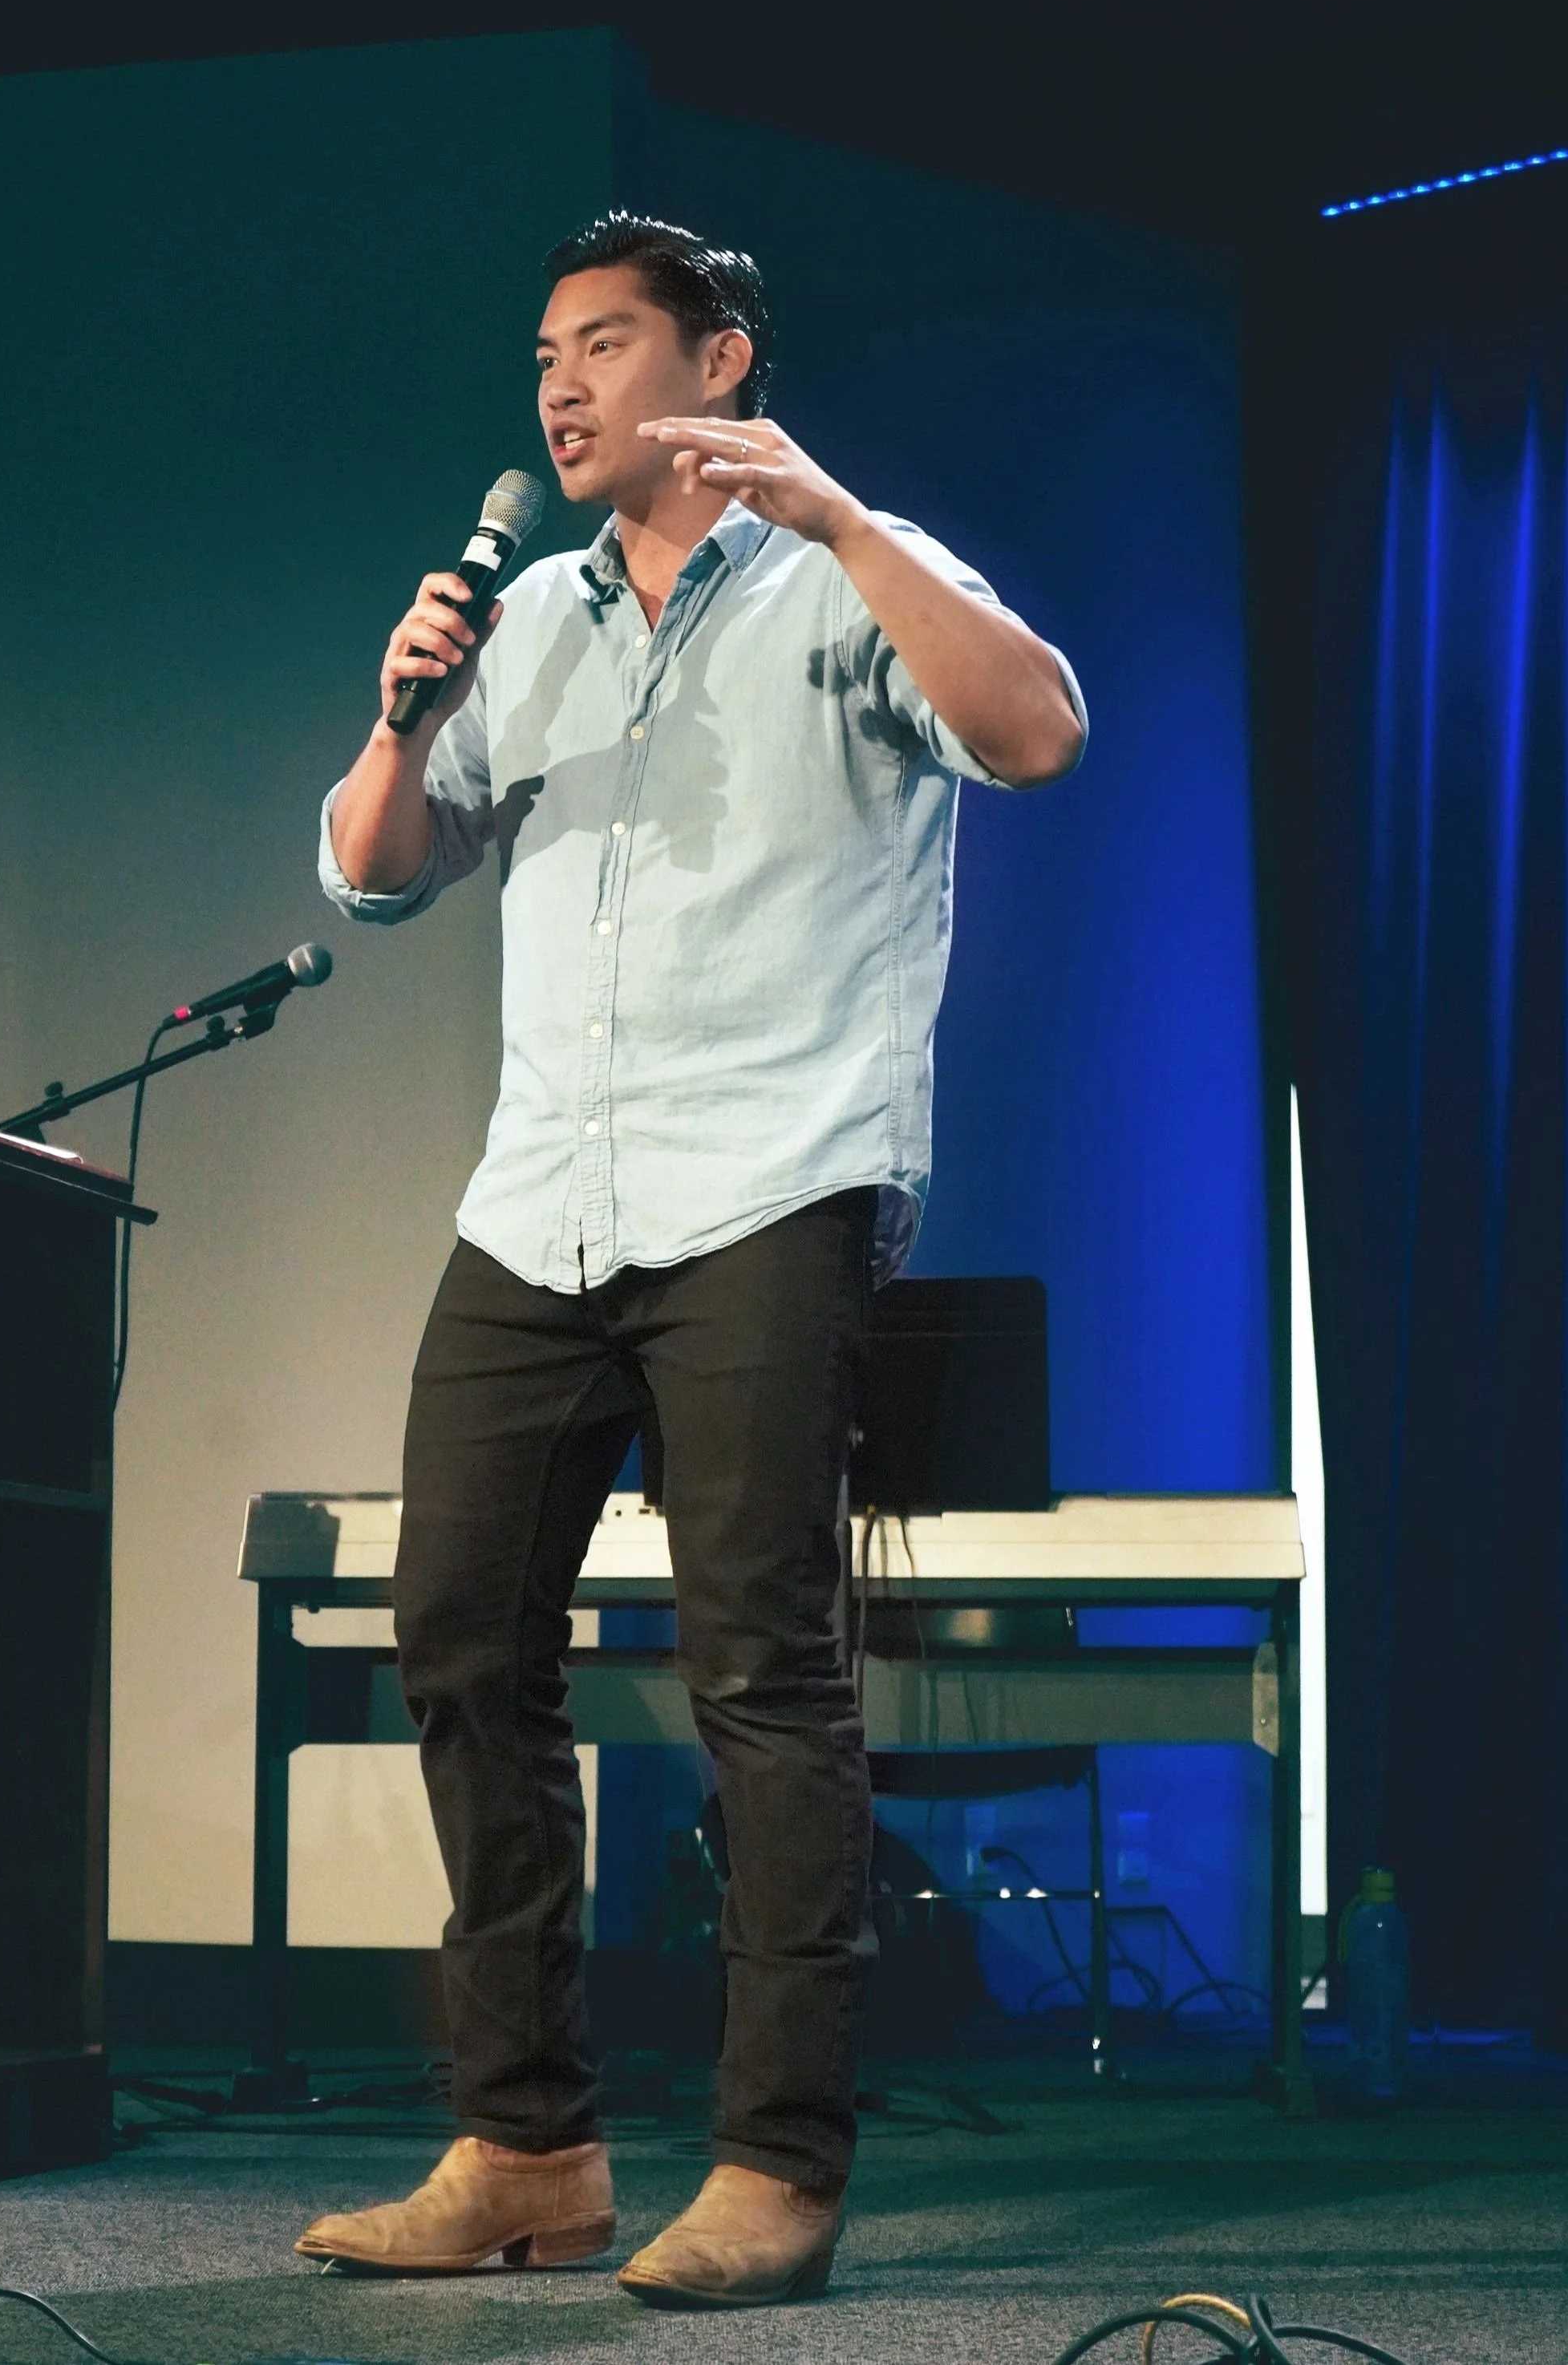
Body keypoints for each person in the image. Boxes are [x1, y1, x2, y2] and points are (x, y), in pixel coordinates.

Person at [296, 212, 1084, 2307]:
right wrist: (401, 720)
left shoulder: (845, 574)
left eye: (605, 343)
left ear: (718, 358)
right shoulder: (531, 620)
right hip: (540, 1197)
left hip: (770, 1178)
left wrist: (840, 518)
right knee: (460, 1634)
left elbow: (1036, 732)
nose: (562, 386)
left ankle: (776, 2164)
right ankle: (527, 2146)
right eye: (545, 354)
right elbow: (373, 874)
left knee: (761, 1667)